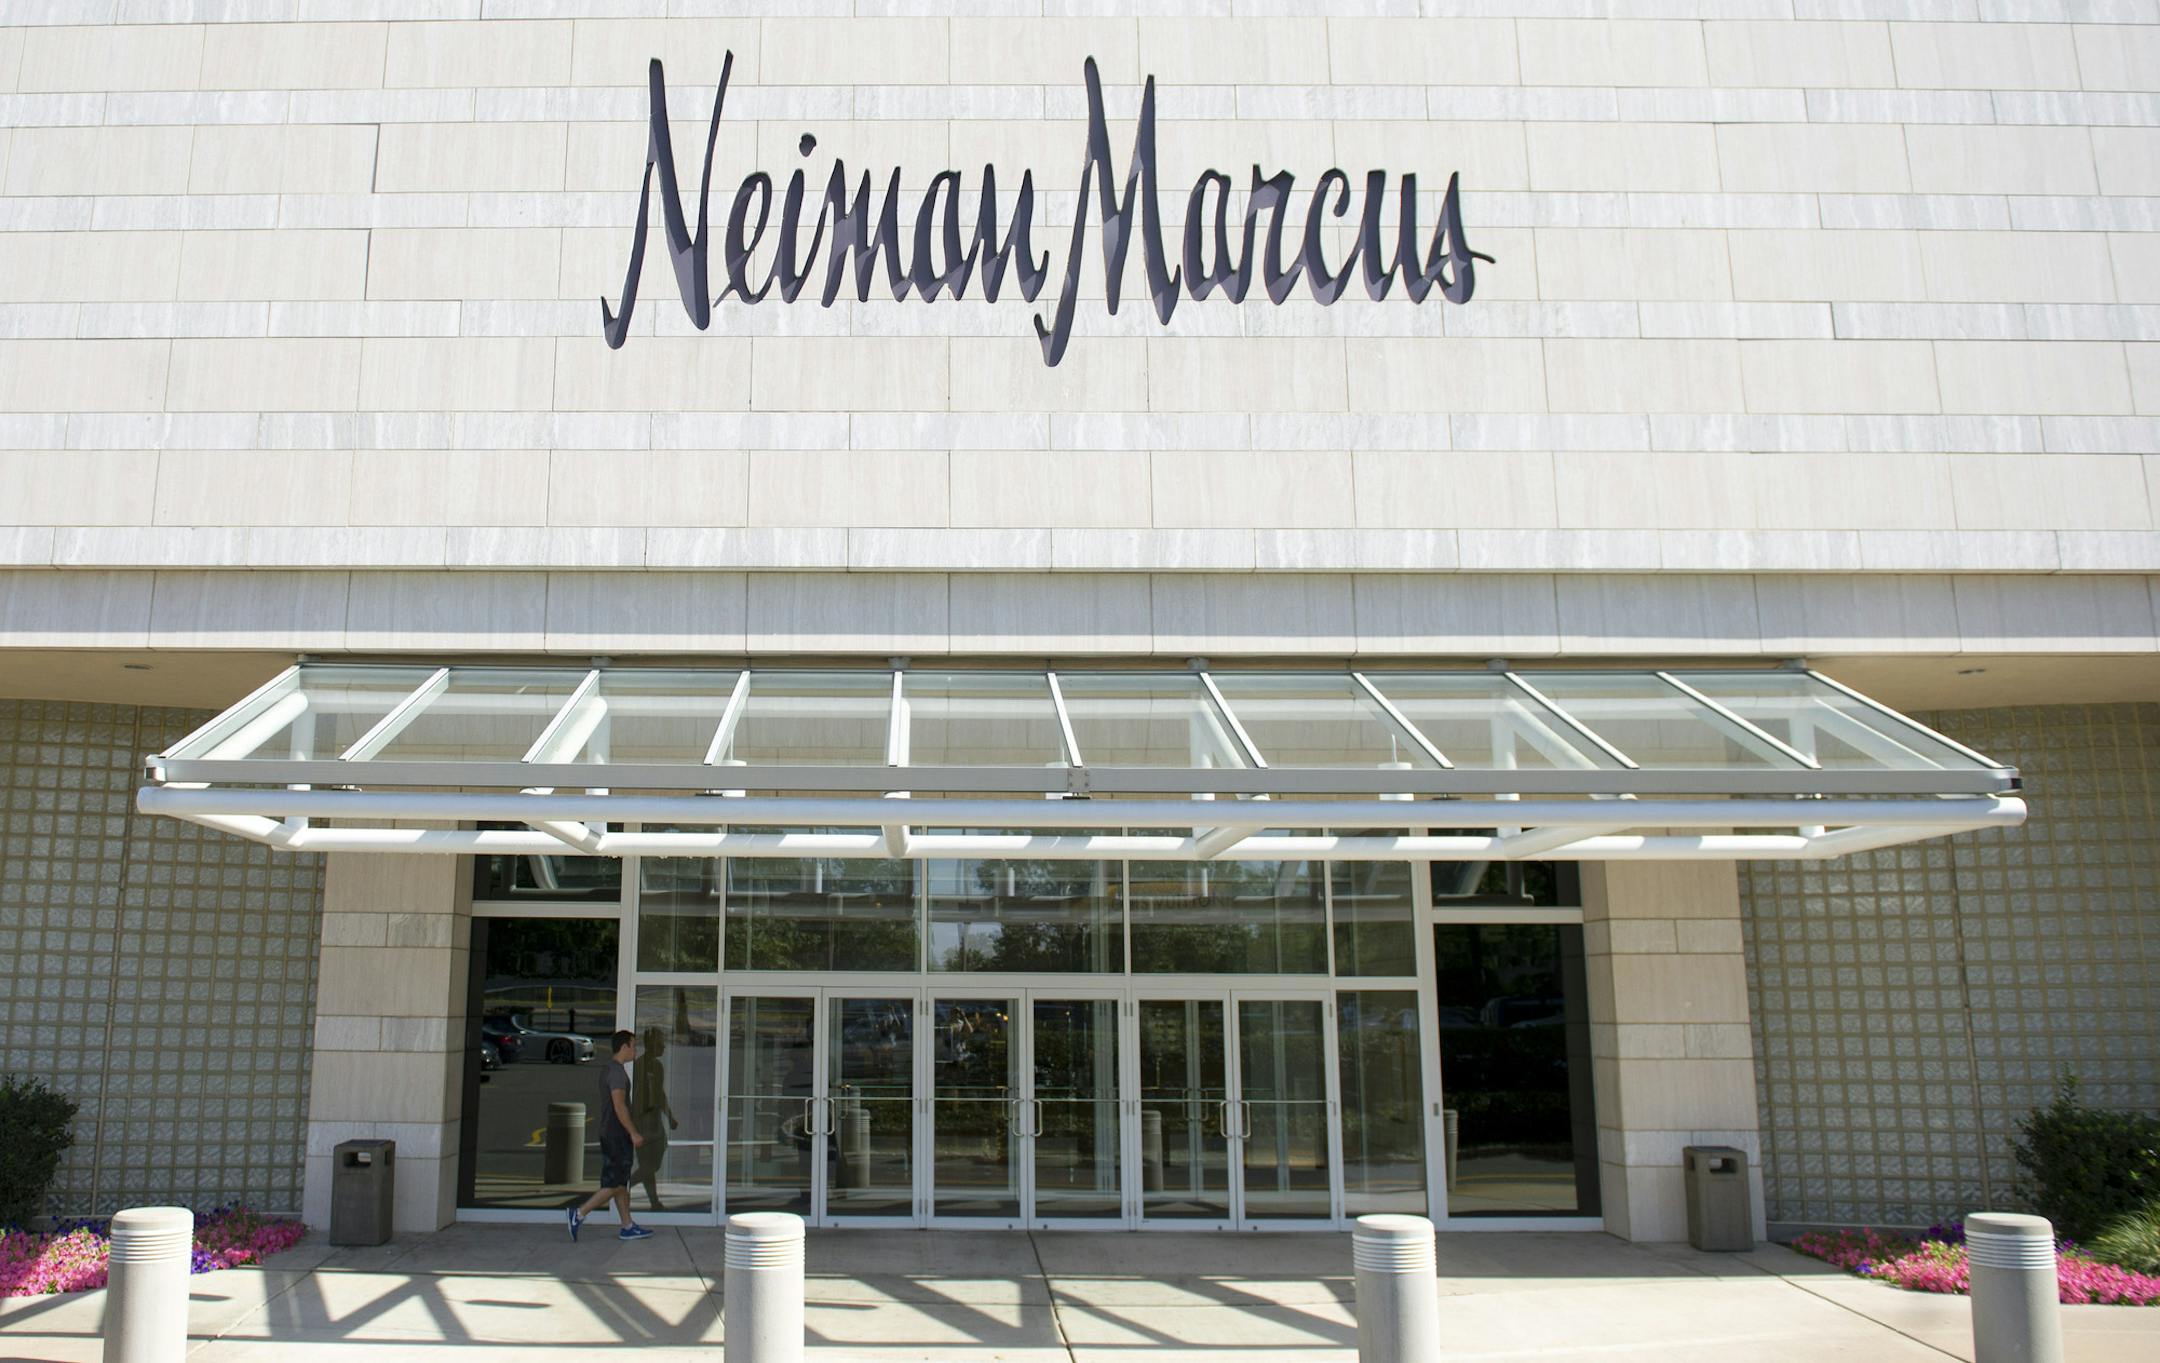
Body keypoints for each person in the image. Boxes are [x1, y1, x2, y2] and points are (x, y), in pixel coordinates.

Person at [568, 1030, 653, 1241]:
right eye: (633, 1045)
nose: (636, 1050)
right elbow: (619, 1105)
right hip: (617, 1134)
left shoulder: (611, 1069)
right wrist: (633, 1133)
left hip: (612, 1133)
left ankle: (627, 1225)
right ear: (624, 1046)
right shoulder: (615, 1072)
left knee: (620, 1182)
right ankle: (578, 1214)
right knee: (614, 1184)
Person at [630, 1026, 679, 1213]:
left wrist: (670, 1116)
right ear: (651, 1044)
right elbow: (642, 1094)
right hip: (644, 1119)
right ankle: (622, 1187)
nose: (664, 1047)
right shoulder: (641, 1066)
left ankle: (654, 1202)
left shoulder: (657, 1066)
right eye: (661, 1042)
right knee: (650, 1165)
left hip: (653, 1118)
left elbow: (660, 1094)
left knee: (649, 1164)